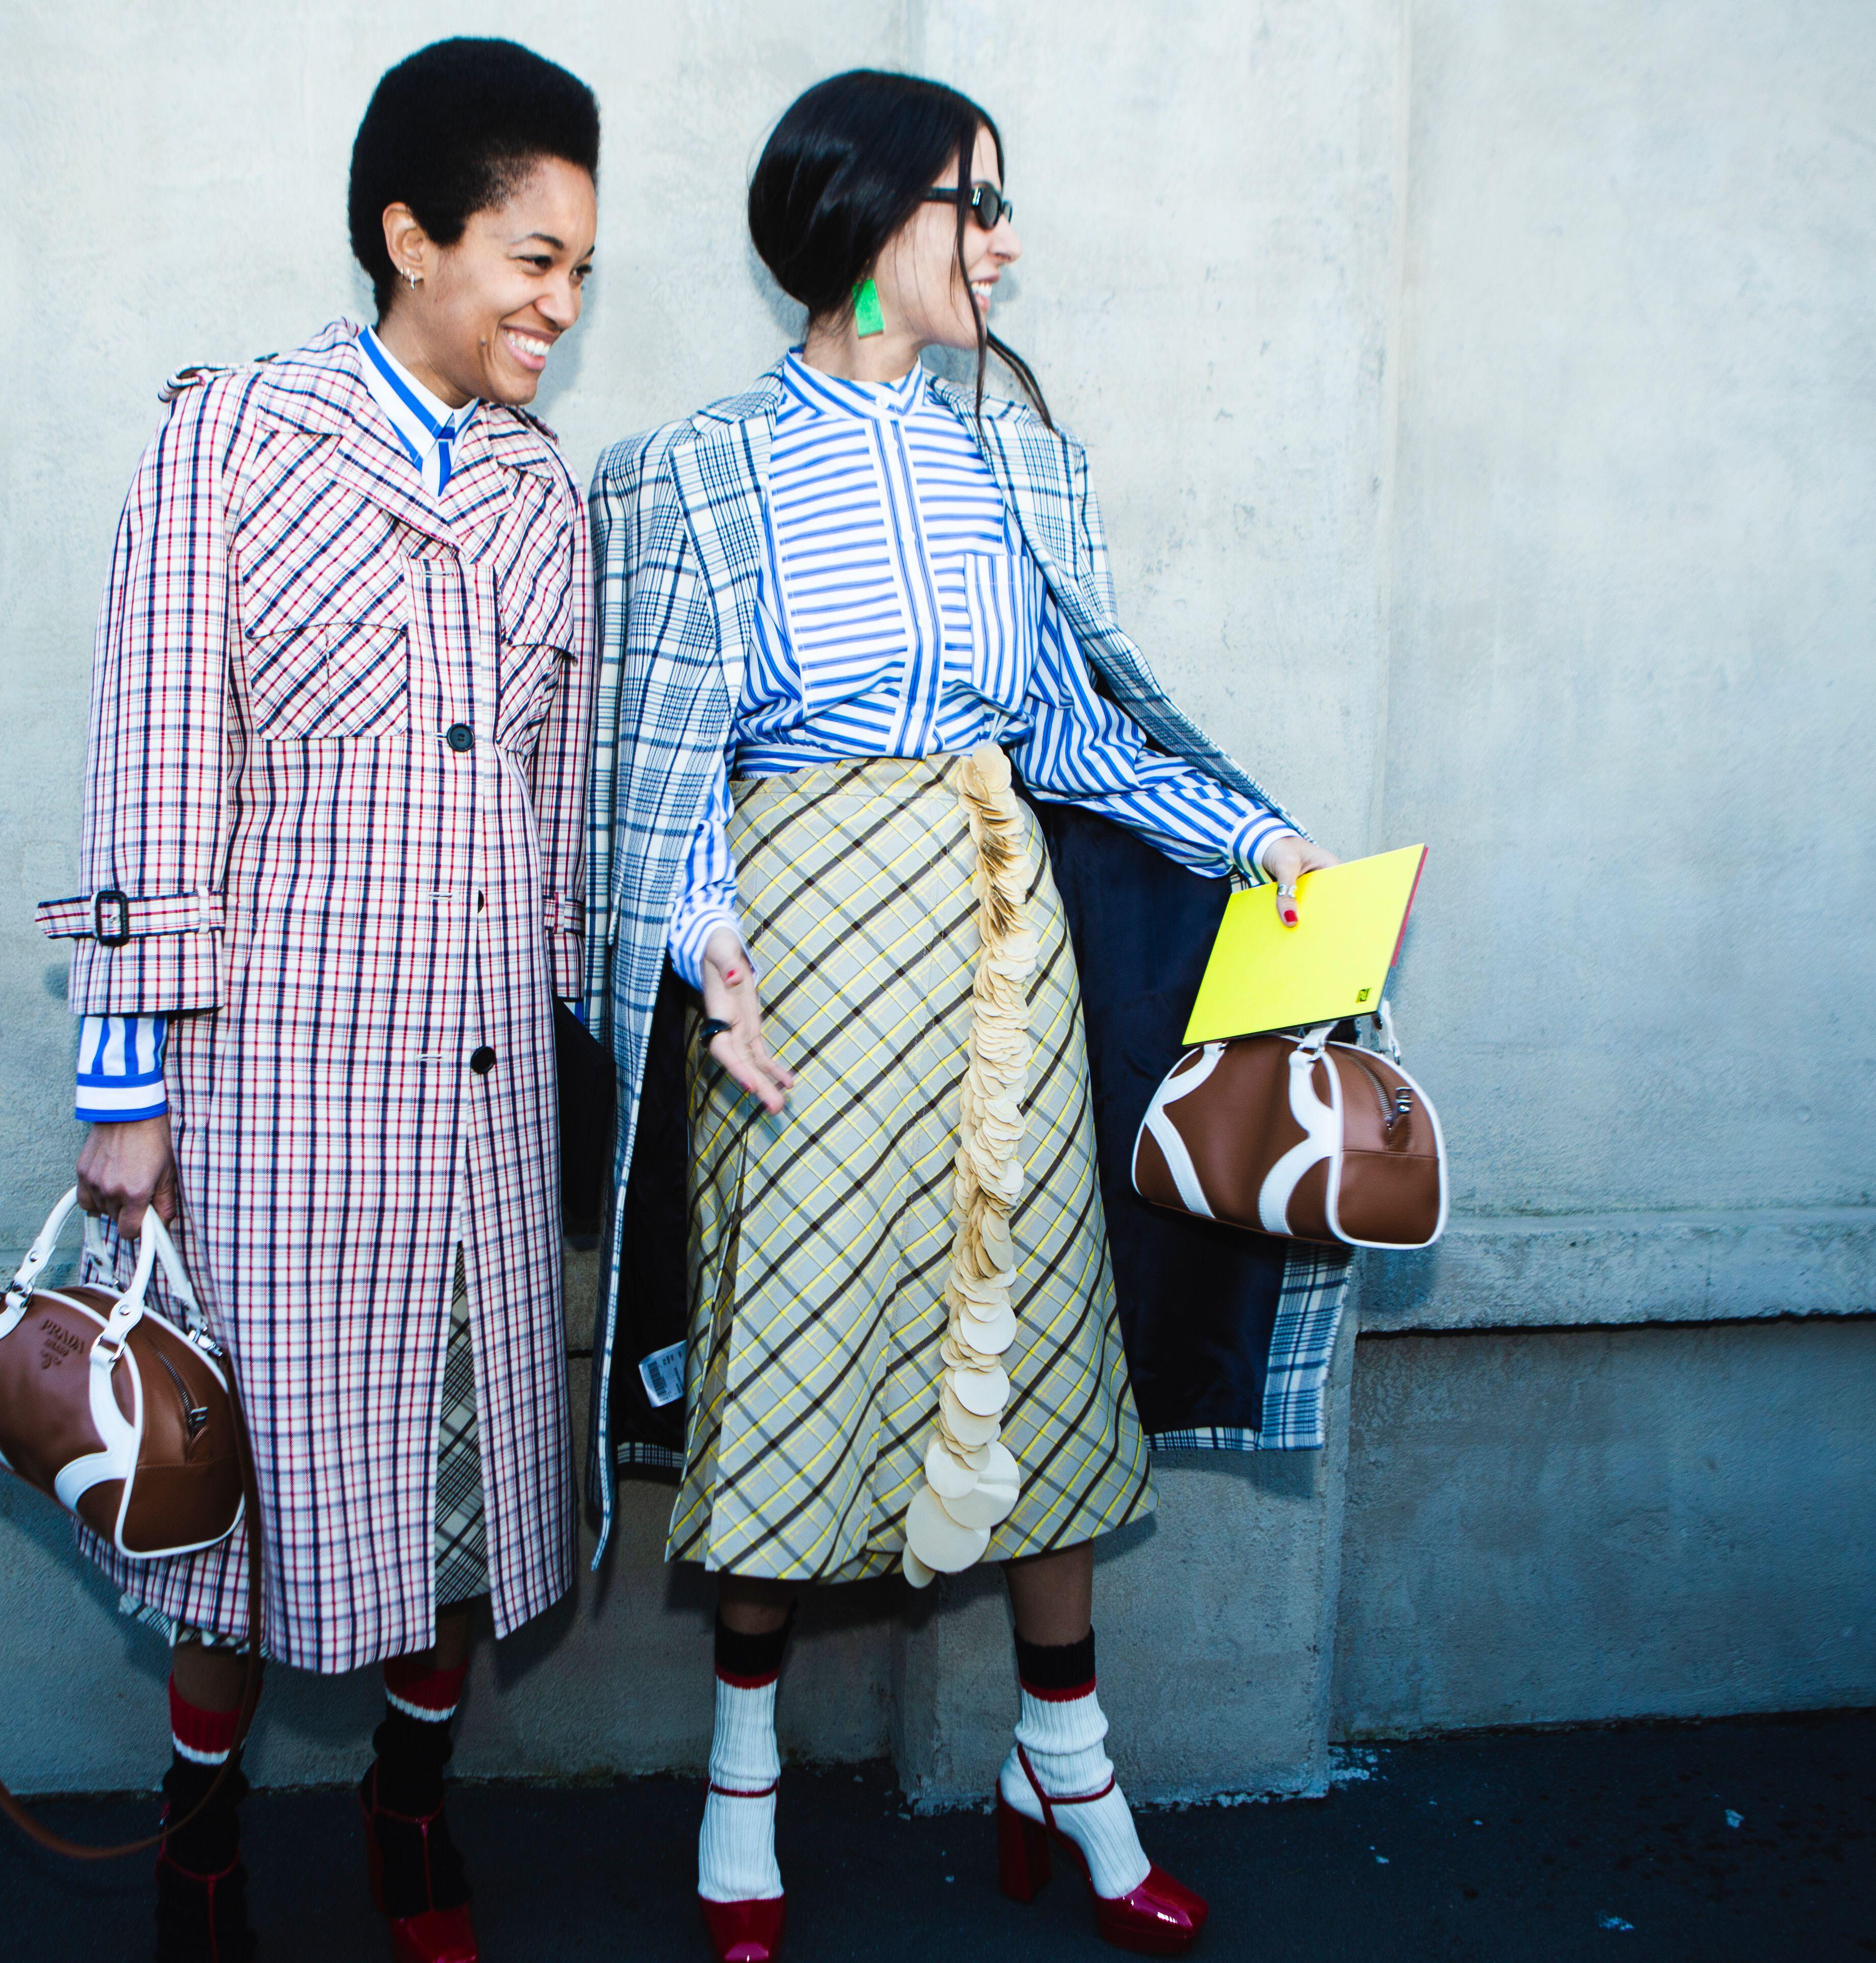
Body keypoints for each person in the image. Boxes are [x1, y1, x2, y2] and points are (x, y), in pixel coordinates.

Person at [585, 70, 1339, 1962]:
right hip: (806, 965)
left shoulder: (1017, 456)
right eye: (971, 203)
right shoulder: (696, 471)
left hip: (1006, 940)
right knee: (801, 1347)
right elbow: (650, 764)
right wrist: (700, 952)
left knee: (1050, 1331)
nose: (1004, 241)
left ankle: (1065, 1756)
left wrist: (1262, 841)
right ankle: (739, 1788)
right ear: (861, 227)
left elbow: (1078, 735)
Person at [39, 38, 603, 1963]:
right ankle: (201, 1836)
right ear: (407, 235)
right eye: (532, 257)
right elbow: (151, 762)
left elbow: (555, 806)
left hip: (485, 1092)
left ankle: (408, 1812)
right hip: (275, 1091)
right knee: (243, 1495)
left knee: (463, 1475)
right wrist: (127, 1089)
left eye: (582, 273)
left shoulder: (549, 498)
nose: (559, 303)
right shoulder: (230, 441)